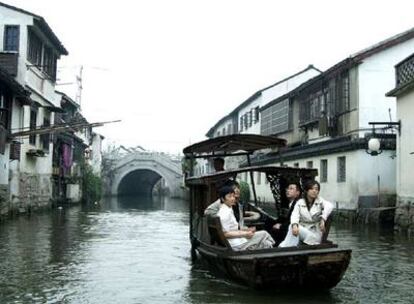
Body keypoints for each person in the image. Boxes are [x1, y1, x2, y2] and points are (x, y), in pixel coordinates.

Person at [216, 185, 275, 251]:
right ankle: (277, 250)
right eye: (229, 196)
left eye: (233, 196)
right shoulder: (224, 213)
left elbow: (232, 229)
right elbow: (225, 234)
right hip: (236, 244)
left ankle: (272, 250)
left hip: (237, 240)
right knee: (264, 234)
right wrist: (245, 234)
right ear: (222, 199)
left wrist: (245, 231)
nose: (233, 198)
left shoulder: (228, 209)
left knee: (266, 242)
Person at [279, 180, 333, 247]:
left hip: (314, 235)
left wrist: (323, 219)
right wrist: (295, 224)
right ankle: (288, 247)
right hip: (303, 232)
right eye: (311, 189)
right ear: (307, 191)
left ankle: (284, 247)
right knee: (293, 226)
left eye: (316, 189)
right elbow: (295, 215)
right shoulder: (300, 202)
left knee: (292, 228)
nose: (314, 191)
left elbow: (330, 206)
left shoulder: (320, 201)